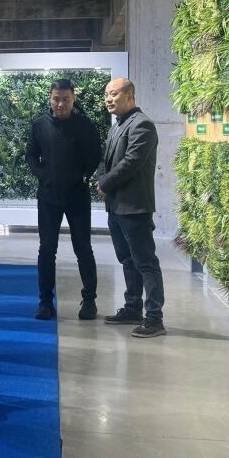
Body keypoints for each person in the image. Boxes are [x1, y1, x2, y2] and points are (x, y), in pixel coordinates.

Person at [26, 78, 101, 320]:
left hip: (77, 195)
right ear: (50, 99)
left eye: (65, 99)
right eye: (56, 99)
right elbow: (31, 155)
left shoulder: (85, 125)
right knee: (47, 249)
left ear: (73, 98)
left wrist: (83, 175)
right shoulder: (39, 125)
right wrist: (43, 175)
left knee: (83, 248)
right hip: (48, 196)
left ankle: (89, 301)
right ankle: (45, 302)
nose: (60, 104)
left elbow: (95, 154)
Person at [95, 77, 165, 338]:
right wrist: (102, 179)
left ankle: (155, 319)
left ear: (130, 95)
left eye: (113, 94)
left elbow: (131, 162)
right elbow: (105, 161)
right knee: (127, 260)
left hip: (135, 207)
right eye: (106, 95)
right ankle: (132, 308)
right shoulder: (117, 125)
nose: (108, 99)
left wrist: (105, 183)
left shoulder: (142, 124)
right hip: (116, 206)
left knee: (145, 262)